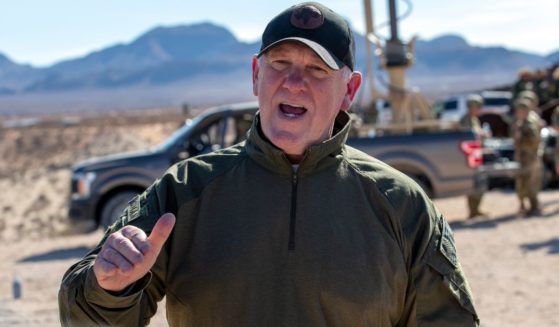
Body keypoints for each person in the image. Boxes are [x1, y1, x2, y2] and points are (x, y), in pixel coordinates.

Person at [58, 2, 479, 326]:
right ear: (256, 75)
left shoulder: (401, 205)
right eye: (280, 64)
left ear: (349, 90)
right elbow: (85, 318)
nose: (294, 82)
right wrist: (109, 288)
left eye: (316, 69)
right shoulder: (185, 191)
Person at [459, 94, 489, 219]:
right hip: (469, 157)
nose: (479, 109)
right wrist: (481, 135)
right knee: (475, 183)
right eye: (477, 107)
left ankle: (475, 209)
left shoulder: (473, 119)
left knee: (479, 183)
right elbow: (468, 137)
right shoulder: (466, 120)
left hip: (475, 155)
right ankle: (473, 210)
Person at [512, 98, 542, 216]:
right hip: (522, 157)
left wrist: (521, 138)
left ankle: (534, 207)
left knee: (531, 182)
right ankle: (523, 205)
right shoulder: (520, 123)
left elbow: (534, 140)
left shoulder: (529, 124)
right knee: (521, 182)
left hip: (530, 157)